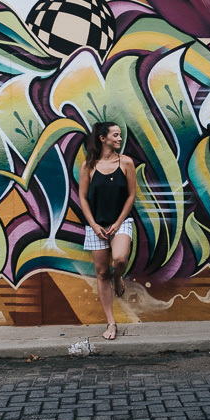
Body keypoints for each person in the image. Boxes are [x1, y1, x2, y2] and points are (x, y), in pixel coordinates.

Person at [77, 121, 137, 341]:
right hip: (96, 225)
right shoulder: (88, 166)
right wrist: (93, 225)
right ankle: (111, 322)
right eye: (115, 135)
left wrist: (119, 222)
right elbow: (82, 197)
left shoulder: (126, 163)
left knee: (119, 259)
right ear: (102, 139)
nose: (119, 139)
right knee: (102, 274)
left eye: (120, 135)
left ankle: (119, 277)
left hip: (120, 222)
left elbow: (131, 195)